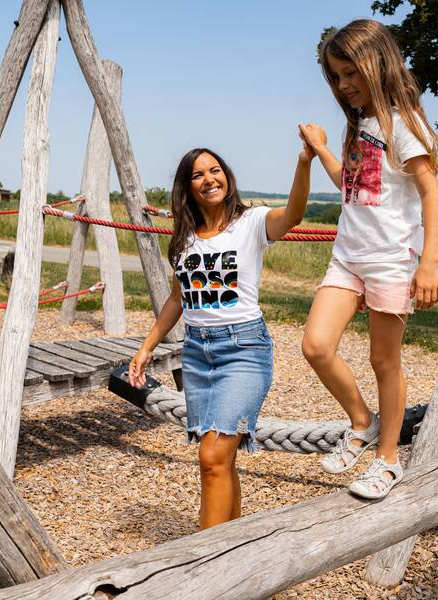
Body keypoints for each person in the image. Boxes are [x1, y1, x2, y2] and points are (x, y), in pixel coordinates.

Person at [128, 137, 316, 529]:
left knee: (211, 458)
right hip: (197, 354)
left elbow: (294, 214)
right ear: (187, 186)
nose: (209, 179)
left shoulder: (251, 223)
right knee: (218, 461)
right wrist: (146, 348)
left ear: (226, 177)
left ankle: (203, 563)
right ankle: (230, 549)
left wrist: (304, 161)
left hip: (244, 349)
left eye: (215, 170)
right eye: (198, 174)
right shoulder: (183, 239)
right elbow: (177, 299)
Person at [299, 19, 438, 499]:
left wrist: (429, 262)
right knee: (316, 346)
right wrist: (319, 150)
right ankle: (360, 421)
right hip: (348, 257)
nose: (343, 85)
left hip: (389, 261)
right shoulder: (358, 125)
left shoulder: (404, 124)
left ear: (376, 65)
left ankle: (387, 460)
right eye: (336, 77)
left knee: (385, 360)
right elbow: (353, 184)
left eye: (350, 74)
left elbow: (431, 195)